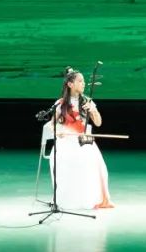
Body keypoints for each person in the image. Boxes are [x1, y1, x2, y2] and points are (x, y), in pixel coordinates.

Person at [46, 66, 113, 210]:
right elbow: (51, 124)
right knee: (65, 162)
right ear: (70, 84)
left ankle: (86, 199)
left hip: (83, 142)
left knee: (93, 164)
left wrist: (93, 110)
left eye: (83, 81)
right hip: (65, 142)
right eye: (80, 81)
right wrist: (58, 132)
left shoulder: (87, 101)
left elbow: (98, 123)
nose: (84, 84)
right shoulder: (61, 104)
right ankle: (67, 200)